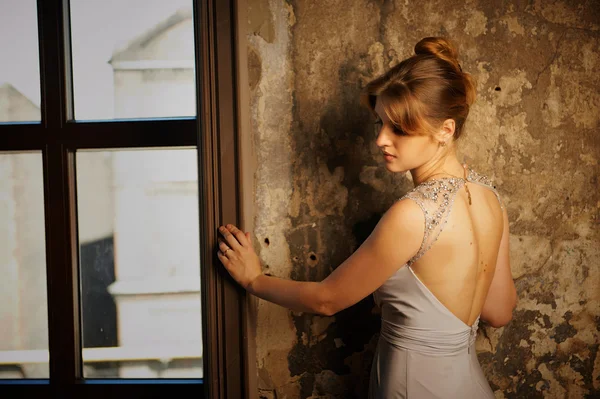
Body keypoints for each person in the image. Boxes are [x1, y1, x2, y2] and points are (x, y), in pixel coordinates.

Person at [216, 36, 517, 398]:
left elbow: (327, 300)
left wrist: (253, 280)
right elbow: (499, 312)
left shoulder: (413, 214)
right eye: (380, 124)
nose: (381, 141)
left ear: (445, 130)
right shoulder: (491, 200)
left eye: (400, 129)